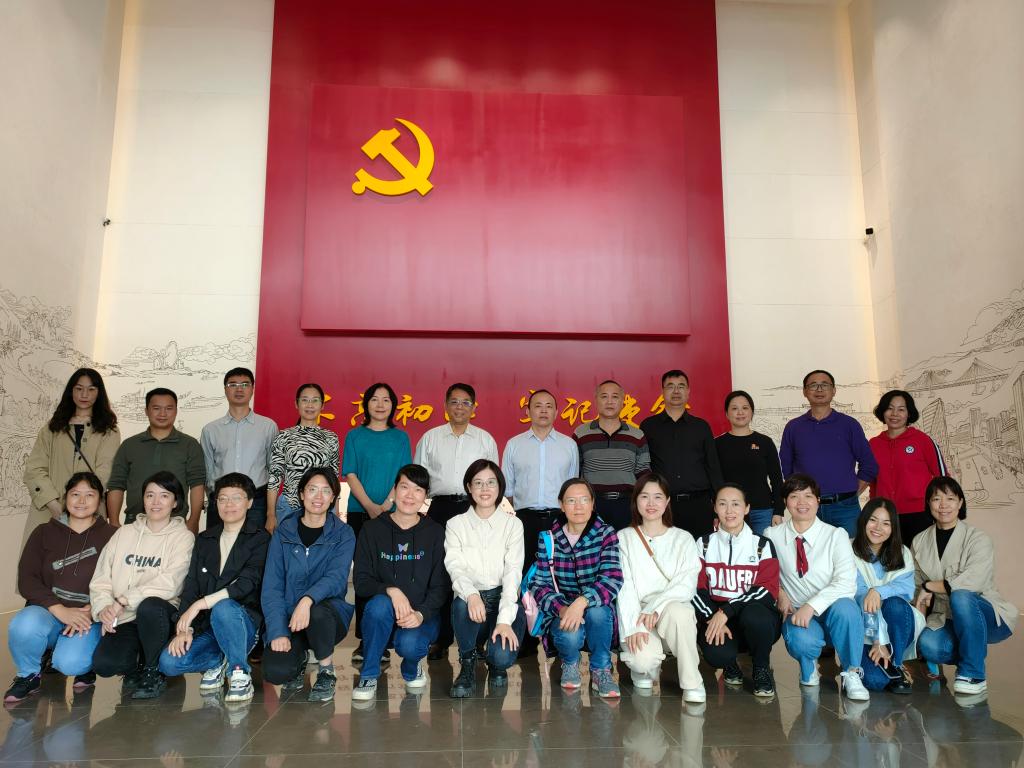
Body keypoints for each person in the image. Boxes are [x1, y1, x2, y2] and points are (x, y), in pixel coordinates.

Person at [158, 473, 271, 702]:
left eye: (236, 498)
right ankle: (220, 660)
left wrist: (200, 604)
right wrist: (185, 628)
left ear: (249, 502)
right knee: (169, 663)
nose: (229, 504)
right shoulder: (204, 539)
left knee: (224, 607)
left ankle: (239, 672)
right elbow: (191, 584)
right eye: (223, 498)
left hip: (242, 623)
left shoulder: (260, 538)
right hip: (207, 624)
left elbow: (247, 583)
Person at [4, 473, 116, 702]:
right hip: (49, 612)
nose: (81, 501)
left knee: (70, 663)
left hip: (88, 617)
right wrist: (60, 610)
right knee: (23, 625)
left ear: (100, 500)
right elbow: (27, 579)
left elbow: (122, 580)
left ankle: (85, 664)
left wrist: (93, 609)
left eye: (89, 495)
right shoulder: (43, 532)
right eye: (75, 494)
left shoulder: (113, 536)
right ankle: (28, 675)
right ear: (65, 498)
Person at [764, 473, 870, 701]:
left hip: (832, 610)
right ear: (785, 502)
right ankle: (808, 664)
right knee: (802, 642)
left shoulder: (836, 535)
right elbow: (766, 575)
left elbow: (846, 582)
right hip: (798, 612)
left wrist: (811, 606)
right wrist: (780, 592)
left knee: (848, 608)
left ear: (818, 501)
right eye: (794, 496)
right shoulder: (772, 536)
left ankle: (852, 672)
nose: (802, 502)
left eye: (808, 496)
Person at [90, 471, 195, 699]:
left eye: (164, 496)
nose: (156, 502)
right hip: (124, 616)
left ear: (175, 502)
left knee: (150, 606)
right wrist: (104, 608)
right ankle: (135, 664)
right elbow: (101, 577)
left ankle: (152, 669)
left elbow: (171, 583)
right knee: (105, 664)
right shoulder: (124, 533)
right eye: (150, 495)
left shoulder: (183, 537)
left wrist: (123, 600)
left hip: (160, 616)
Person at [414, 382, 498, 659]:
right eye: (454, 402)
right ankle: (440, 639)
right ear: (446, 405)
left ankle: (477, 640)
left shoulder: (484, 439)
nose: (460, 407)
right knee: (440, 573)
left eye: (465, 402)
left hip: (474, 509)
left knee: (475, 571)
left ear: (474, 407)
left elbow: (493, 481)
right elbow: (419, 478)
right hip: (440, 508)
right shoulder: (430, 438)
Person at [352, 464, 449, 700]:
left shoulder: (435, 532)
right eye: (404, 487)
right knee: (378, 606)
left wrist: (421, 614)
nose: (410, 495)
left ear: (425, 497)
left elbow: (441, 586)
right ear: (394, 491)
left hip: (421, 616)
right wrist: (391, 590)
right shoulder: (371, 529)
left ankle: (412, 666)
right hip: (383, 614)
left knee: (411, 645)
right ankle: (369, 674)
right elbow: (361, 581)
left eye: (418, 490)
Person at [913, 476, 1017, 695]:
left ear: (960, 503)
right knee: (929, 645)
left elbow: (973, 581)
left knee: (961, 595)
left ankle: (973, 674)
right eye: (936, 499)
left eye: (950, 498)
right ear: (928, 503)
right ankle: (972, 649)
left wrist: (930, 586)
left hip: (985, 613)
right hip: (945, 615)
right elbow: (917, 586)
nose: (943, 505)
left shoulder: (978, 538)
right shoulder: (919, 541)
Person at [260, 467, 354, 702]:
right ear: (302, 494)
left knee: (317, 612)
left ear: (333, 497)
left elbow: (336, 578)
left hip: (327, 618)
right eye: (312, 490)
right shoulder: (283, 533)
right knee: (276, 671)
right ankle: (300, 656)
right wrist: (278, 631)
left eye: (326, 491)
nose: (318, 497)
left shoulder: (343, 534)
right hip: (290, 618)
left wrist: (307, 600)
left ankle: (326, 670)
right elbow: (272, 586)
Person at [529, 478, 623, 698]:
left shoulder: (606, 533)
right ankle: (570, 662)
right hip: (561, 610)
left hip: (595, 607)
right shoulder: (549, 538)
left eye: (584, 500)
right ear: (561, 505)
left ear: (593, 503)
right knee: (569, 634)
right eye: (571, 500)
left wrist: (581, 602)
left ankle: (601, 669)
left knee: (599, 613)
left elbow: (612, 578)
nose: (578, 506)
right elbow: (539, 584)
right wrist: (562, 608)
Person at [502, 388, 578, 654]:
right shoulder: (514, 444)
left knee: (558, 577)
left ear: (556, 412)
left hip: (559, 520)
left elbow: (573, 486)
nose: (543, 410)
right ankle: (523, 639)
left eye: (549, 406)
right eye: (537, 405)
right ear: (528, 411)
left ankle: (556, 636)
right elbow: (507, 489)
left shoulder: (568, 445)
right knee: (523, 575)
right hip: (525, 519)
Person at [617, 474, 705, 703]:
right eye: (644, 497)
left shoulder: (683, 538)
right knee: (642, 661)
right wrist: (634, 626)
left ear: (667, 502)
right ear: (636, 501)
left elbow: (686, 584)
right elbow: (624, 587)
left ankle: (693, 682)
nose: (651, 503)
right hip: (638, 610)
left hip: (670, 609)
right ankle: (644, 670)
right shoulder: (624, 538)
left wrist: (656, 607)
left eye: (658, 497)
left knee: (680, 612)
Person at [342, 382, 411, 664]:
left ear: (393, 405)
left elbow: (404, 476)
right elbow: (350, 474)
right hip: (360, 512)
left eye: (386, 400)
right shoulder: (355, 435)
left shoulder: (400, 438)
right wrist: (371, 506)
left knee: (390, 573)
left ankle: (388, 637)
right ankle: (366, 640)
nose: (380, 404)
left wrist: (385, 505)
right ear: (366, 404)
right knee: (365, 575)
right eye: (374, 399)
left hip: (393, 514)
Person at [445, 459, 526, 697]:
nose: (485, 489)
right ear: (469, 487)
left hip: (503, 598)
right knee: (461, 603)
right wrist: (472, 595)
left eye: (491, 483)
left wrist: (504, 620)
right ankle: (468, 662)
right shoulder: (456, 524)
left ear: (500, 487)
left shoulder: (513, 525)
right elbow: (455, 567)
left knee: (502, 656)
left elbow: (513, 572)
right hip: (472, 603)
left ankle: (496, 664)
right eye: (478, 483)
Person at [692, 483, 782, 698]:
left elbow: (767, 590)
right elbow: (694, 588)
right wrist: (712, 617)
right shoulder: (703, 543)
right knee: (717, 655)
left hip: (753, 614)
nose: (729, 511)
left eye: (736, 504)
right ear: (715, 507)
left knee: (756, 616)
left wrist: (728, 611)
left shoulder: (762, 544)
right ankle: (729, 663)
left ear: (747, 508)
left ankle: (761, 667)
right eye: (723, 504)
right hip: (716, 615)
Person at [23, 368, 120, 542]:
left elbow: (105, 471)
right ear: (71, 391)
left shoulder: (109, 430)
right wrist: (54, 505)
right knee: (42, 556)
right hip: (49, 510)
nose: (84, 394)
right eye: (79, 388)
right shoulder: (52, 427)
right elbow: (34, 469)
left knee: (87, 557)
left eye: (91, 389)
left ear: (99, 393)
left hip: (89, 512)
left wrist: (81, 504)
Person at [779, 370, 878, 537]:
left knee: (849, 551)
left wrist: (851, 493)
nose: (819, 389)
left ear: (834, 390)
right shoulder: (794, 427)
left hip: (845, 509)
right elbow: (787, 468)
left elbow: (869, 465)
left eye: (824, 385)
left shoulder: (849, 425)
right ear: (804, 391)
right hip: (807, 508)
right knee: (808, 552)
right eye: (813, 385)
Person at [106, 388, 206, 533]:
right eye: (156, 408)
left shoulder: (190, 445)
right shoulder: (129, 445)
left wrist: (194, 520)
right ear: (146, 411)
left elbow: (197, 485)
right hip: (135, 522)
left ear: (176, 411)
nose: (162, 414)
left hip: (175, 523)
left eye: (169, 408)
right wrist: (114, 522)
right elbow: (117, 484)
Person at [851, 498, 924, 694]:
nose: (878, 528)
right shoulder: (848, 550)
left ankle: (897, 664)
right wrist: (878, 640)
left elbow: (906, 589)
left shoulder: (902, 552)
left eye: (886, 523)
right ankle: (861, 663)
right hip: (866, 630)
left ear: (893, 528)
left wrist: (878, 591)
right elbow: (861, 597)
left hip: (896, 626)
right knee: (875, 681)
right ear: (863, 521)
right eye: (873, 520)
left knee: (895, 604)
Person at [640, 370, 722, 539]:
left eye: (681, 386)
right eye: (670, 386)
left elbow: (713, 467)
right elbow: (643, 468)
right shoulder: (648, 426)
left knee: (699, 552)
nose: (676, 391)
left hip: (698, 505)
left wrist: (718, 508)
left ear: (688, 391)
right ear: (662, 391)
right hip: (662, 506)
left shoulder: (701, 427)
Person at [200, 367, 278, 530]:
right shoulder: (211, 429)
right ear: (225, 389)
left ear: (252, 389)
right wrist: (214, 498)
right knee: (217, 544)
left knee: (255, 545)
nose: (239, 389)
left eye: (245, 384)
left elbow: (273, 471)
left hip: (257, 502)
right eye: (233, 384)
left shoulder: (268, 427)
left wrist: (271, 512)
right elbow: (207, 471)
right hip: (221, 501)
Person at [868, 390, 948, 544]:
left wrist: (940, 510)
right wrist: (873, 509)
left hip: (919, 514)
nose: (894, 414)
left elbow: (943, 478)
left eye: (901, 409)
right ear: (883, 412)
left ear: (909, 413)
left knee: (919, 556)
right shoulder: (874, 444)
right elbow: (873, 482)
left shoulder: (923, 440)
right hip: (884, 515)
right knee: (889, 557)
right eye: (890, 408)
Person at [574, 380, 650, 531]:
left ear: (622, 401)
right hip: (592, 506)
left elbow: (644, 474)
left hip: (627, 506)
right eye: (604, 396)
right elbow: (575, 473)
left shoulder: (637, 435)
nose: (609, 401)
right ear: (596, 400)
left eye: (615, 397)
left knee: (626, 546)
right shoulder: (581, 433)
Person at [266, 383, 340, 532]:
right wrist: (271, 514)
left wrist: (336, 511)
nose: (310, 405)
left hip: (322, 506)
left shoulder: (331, 438)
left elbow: (334, 478)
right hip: (289, 507)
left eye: (315, 400)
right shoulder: (284, 436)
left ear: (322, 405)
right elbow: (274, 477)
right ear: (296, 404)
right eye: (305, 400)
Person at [714, 390, 783, 535]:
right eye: (734, 408)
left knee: (762, 548)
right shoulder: (717, 444)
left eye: (745, 408)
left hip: (762, 511)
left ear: (752, 412)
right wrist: (715, 513)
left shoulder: (765, 442)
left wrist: (778, 511)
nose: (740, 412)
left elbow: (776, 479)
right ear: (726, 414)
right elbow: (713, 481)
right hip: (730, 511)